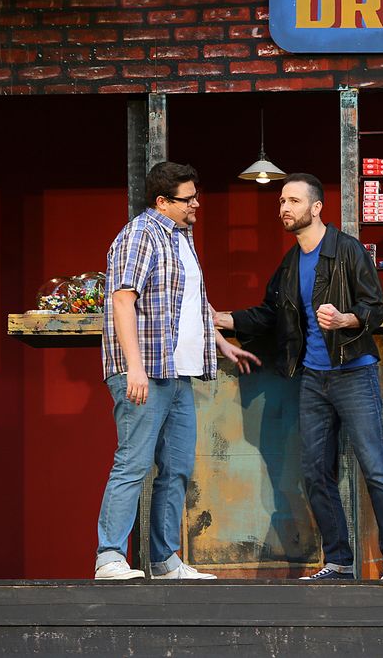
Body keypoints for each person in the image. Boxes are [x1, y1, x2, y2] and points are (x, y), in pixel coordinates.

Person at [214, 172, 383, 581]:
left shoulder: (347, 250)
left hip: (353, 372)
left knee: (375, 468)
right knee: (315, 473)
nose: (284, 209)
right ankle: (338, 562)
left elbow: (375, 308)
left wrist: (345, 319)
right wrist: (225, 319)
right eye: (281, 202)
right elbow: (270, 314)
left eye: (293, 201)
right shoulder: (290, 263)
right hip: (313, 378)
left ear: (317, 207)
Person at [95, 161, 261, 580]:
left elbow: (190, 302)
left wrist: (221, 343)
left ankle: (165, 561)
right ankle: (110, 556)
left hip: (177, 373)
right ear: (162, 201)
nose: (196, 205)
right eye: (187, 199)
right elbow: (122, 300)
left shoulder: (181, 238)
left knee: (178, 468)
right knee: (133, 463)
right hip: (145, 372)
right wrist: (134, 367)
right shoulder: (140, 234)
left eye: (195, 197)